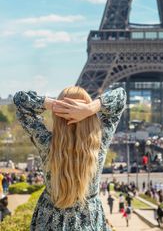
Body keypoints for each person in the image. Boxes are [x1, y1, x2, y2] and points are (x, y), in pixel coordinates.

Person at [13, 87, 126, 231]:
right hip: (89, 220)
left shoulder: (46, 143)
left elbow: (20, 100)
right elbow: (120, 97)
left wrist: (55, 105)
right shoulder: (100, 143)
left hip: (49, 220)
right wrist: (90, 108)